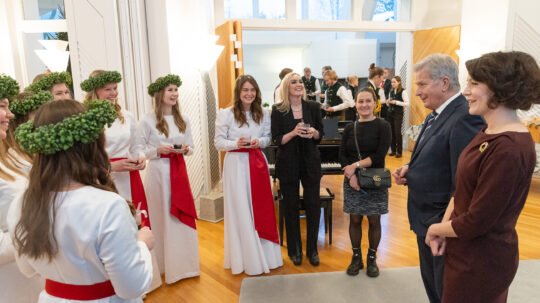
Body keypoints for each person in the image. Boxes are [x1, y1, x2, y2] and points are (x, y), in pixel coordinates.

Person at [9, 99, 154, 302]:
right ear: (93, 145)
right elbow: (132, 286)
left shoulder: (21, 204)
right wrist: (142, 245)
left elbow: (27, 268)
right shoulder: (108, 207)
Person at [425, 51, 540, 303]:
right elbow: (462, 190)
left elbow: (478, 220)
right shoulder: (489, 131)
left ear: (501, 89)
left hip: (482, 262)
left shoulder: (509, 147)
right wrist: (444, 230)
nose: (465, 91)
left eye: (474, 84)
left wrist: (435, 228)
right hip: (465, 251)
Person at [392, 54, 485, 303]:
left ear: (444, 83)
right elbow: (439, 155)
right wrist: (411, 168)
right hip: (426, 221)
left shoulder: (465, 117)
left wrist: (444, 228)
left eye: (422, 85)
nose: (418, 92)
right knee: (433, 289)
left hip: (441, 224)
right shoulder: (437, 113)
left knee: (445, 293)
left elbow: (463, 183)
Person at [82, 70, 162, 291]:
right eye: (107, 88)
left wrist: (140, 159)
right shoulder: (86, 118)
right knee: (113, 226)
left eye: (115, 88)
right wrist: (110, 167)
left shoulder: (126, 115)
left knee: (136, 222)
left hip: (130, 177)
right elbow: (85, 157)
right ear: (95, 90)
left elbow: (136, 146)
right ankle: (117, 280)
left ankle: (142, 278)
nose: (113, 92)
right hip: (103, 180)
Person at [214, 75, 283, 275]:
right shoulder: (225, 114)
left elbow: (267, 139)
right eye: (245, 90)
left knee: (260, 207)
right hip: (235, 164)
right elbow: (218, 143)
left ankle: (266, 255)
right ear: (238, 92)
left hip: (256, 162)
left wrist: (256, 142)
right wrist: (236, 144)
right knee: (241, 208)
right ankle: (244, 257)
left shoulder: (263, 112)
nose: (249, 93)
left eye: (252, 90)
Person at [140, 74, 199, 284]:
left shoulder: (184, 119)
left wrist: (184, 149)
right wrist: (157, 150)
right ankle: (163, 265)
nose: (174, 94)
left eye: (176, 90)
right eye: (170, 90)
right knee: (160, 216)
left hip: (178, 171)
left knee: (178, 218)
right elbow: (140, 149)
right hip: (158, 172)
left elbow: (191, 146)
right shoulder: (147, 119)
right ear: (159, 94)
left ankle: (184, 265)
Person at [271, 72, 324, 266]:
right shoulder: (278, 110)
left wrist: (314, 132)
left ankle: (312, 250)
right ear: (286, 87)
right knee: (291, 207)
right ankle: (295, 250)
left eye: (300, 81)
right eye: (294, 82)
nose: (299, 84)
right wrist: (293, 132)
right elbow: (277, 140)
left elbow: (321, 135)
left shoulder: (313, 106)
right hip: (288, 163)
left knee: (313, 205)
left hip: (310, 162)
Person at [0, 75, 44, 303]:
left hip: (30, 271)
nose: (10, 115)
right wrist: (41, 227)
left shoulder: (8, 159)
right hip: (9, 284)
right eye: (2, 106)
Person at [339, 87, 391, 277]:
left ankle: (371, 258)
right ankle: (356, 257)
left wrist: (355, 166)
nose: (364, 105)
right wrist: (351, 175)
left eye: (368, 101)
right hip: (351, 180)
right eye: (360, 101)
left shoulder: (383, 125)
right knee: (354, 218)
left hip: (375, 180)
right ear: (355, 104)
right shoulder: (349, 128)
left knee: (374, 219)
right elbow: (342, 155)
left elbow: (379, 156)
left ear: (375, 103)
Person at [386, 76, 410, 158]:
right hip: (390, 113)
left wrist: (396, 102)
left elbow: (407, 103)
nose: (392, 84)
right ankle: (393, 151)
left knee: (397, 132)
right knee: (391, 132)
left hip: (398, 114)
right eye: (392, 82)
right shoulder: (391, 91)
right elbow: (388, 102)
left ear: (399, 82)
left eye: (394, 82)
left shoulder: (403, 91)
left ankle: (399, 152)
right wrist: (388, 102)